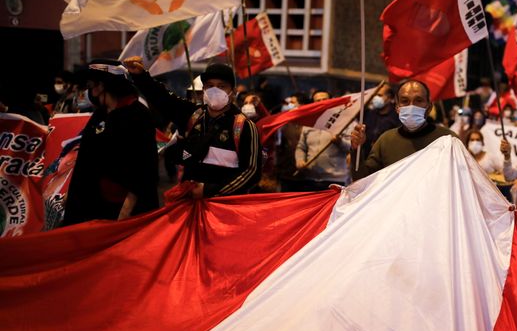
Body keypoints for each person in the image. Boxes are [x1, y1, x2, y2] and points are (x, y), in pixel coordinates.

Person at [123, 58, 261, 198]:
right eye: (210, 86)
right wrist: (140, 76)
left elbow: (252, 171)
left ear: (233, 91)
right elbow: (163, 99)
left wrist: (209, 191)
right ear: (203, 90)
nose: (215, 91)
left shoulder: (244, 126)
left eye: (221, 86)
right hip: (190, 205)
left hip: (225, 211)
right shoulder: (193, 115)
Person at [62, 59, 159, 225]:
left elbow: (145, 169)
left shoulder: (138, 115)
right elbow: (86, 158)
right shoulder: (99, 115)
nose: (90, 91)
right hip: (91, 207)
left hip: (121, 212)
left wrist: (126, 212)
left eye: (92, 85)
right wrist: (73, 194)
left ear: (103, 85)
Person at [350, 80, 457, 179]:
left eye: (418, 100)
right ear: (397, 108)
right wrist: (356, 149)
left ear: (429, 107)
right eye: (405, 101)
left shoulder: (448, 139)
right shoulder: (386, 141)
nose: (411, 106)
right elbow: (361, 179)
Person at [294, 90, 351, 190]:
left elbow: (351, 147)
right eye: (318, 100)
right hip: (311, 179)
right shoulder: (309, 124)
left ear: (331, 101)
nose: (322, 102)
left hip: (336, 180)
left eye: (325, 99)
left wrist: (339, 142)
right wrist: (300, 159)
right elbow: (301, 147)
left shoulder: (343, 121)